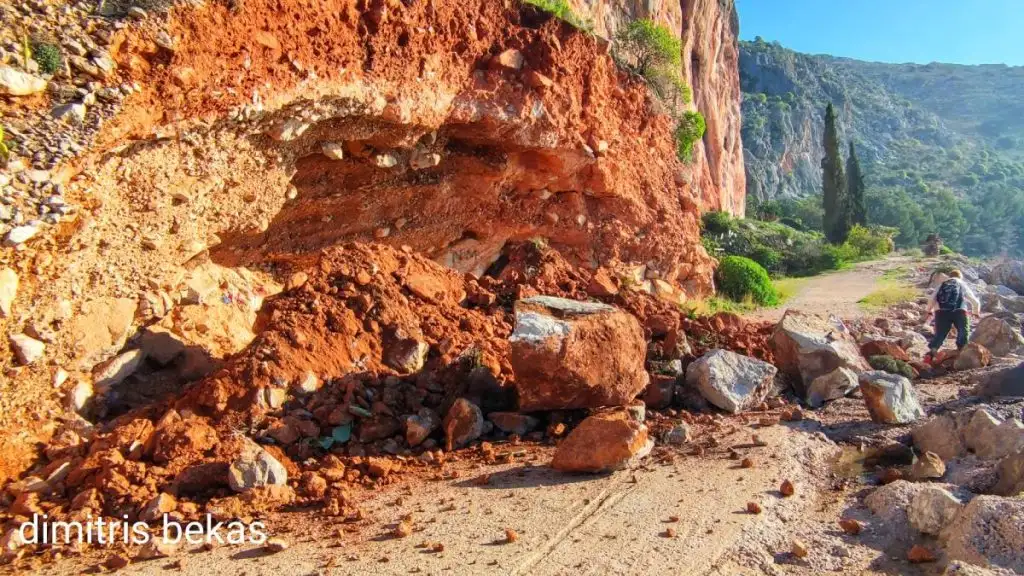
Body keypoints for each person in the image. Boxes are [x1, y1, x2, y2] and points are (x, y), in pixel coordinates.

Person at [923, 269, 981, 364]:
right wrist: (976, 312)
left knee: (940, 334)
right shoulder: (961, 283)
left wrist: (929, 310)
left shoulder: (943, 284)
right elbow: (974, 300)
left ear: (950, 276)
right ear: (960, 277)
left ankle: (931, 353)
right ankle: (961, 351)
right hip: (959, 311)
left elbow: (932, 298)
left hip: (941, 312)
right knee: (963, 330)